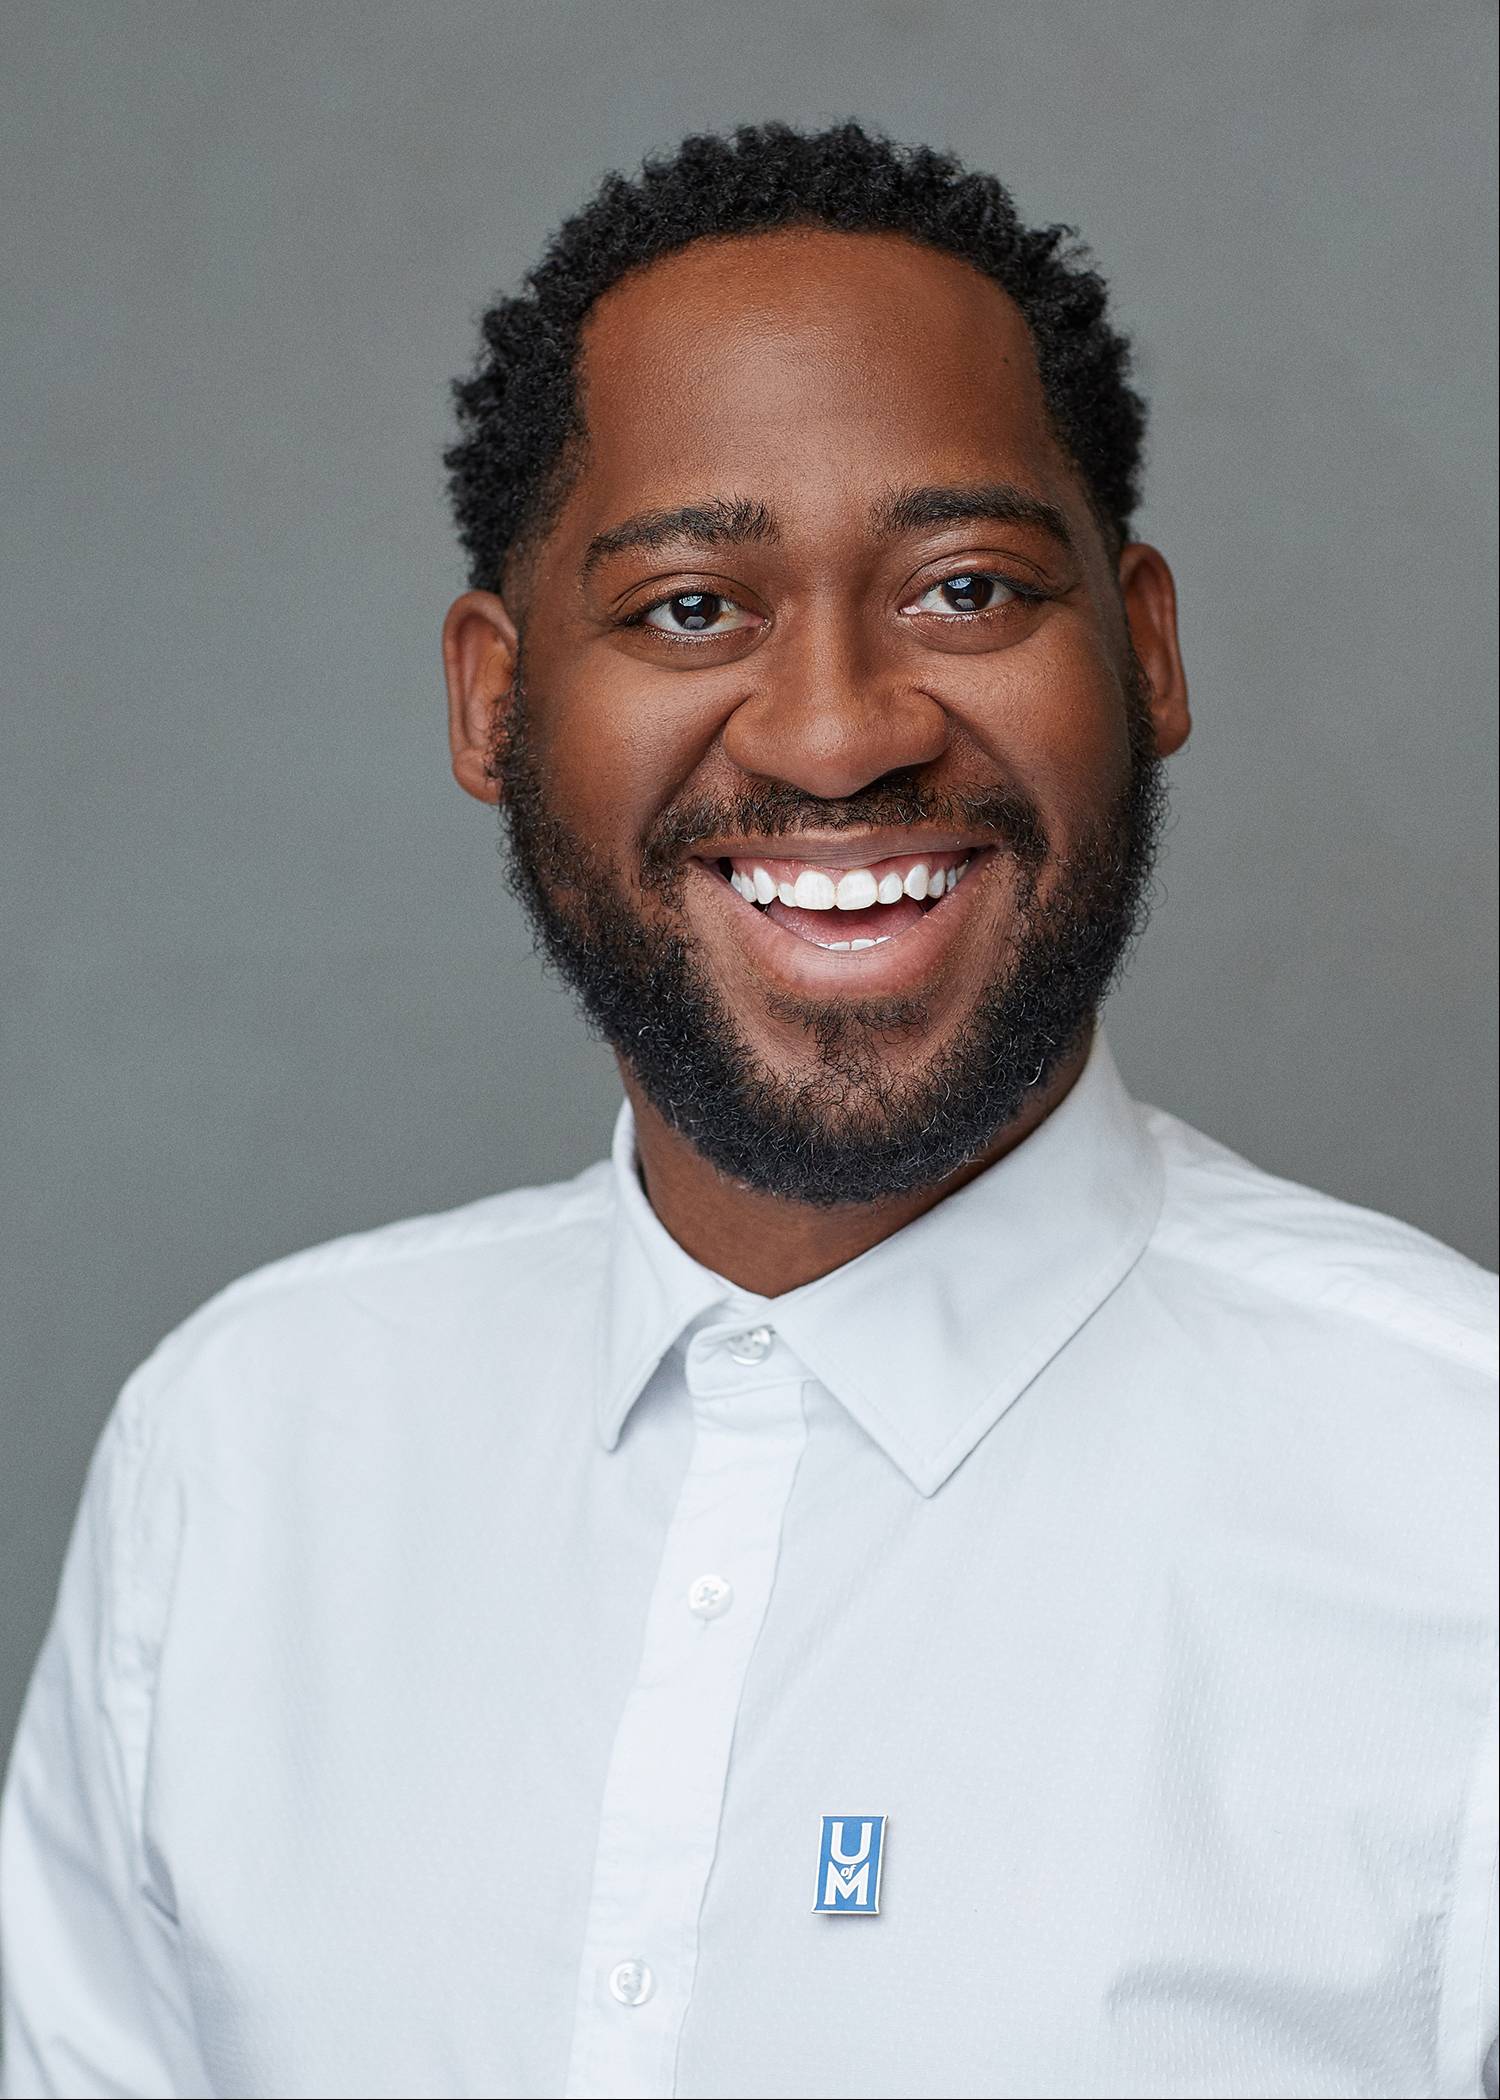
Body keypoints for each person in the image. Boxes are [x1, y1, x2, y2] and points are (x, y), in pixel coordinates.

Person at [2, 121, 1494, 2100]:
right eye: (693, 606)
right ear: (492, 701)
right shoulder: (241, 1458)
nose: (839, 732)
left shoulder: (1458, 1501)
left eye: (966, 587)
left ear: (1145, 649)